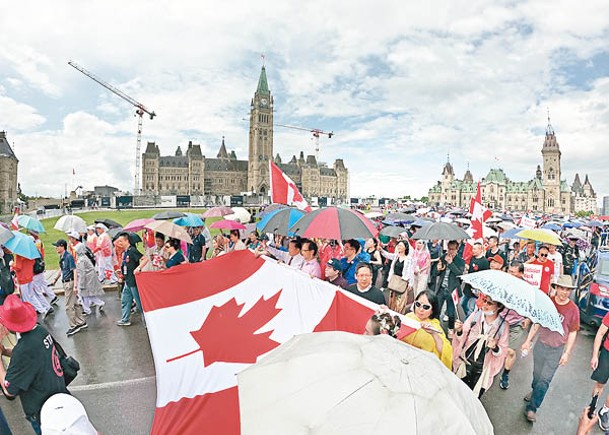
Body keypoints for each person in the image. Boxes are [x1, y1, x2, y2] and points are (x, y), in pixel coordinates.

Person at [0, 295, 69, 434]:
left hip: (42, 410)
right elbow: (32, 355)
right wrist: (6, 352)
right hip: (60, 396)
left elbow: (9, 390)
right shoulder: (39, 330)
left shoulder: (23, 350)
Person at [521, 275, 580, 423]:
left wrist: (567, 353)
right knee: (537, 375)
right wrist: (528, 341)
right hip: (541, 345)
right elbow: (537, 323)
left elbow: (573, 332)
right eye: (561, 288)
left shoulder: (573, 309)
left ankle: (532, 408)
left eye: (567, 289)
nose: (564, 292)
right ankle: (534, 390)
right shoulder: (548, 303)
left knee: (544, 380)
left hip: (556, 349)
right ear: (556, 288)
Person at [452, 294, 509, 398]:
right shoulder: (476, 316)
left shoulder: (503, 326)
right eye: (485, 301)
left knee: (472, 400)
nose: (485, 305)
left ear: (499, 307)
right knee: (456, 395)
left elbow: (502, 352)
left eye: (490, 303)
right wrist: (459, 331)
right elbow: (462, 337)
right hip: (465, 363)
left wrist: (495, 347)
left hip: (482, 371)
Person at [499, 261, 531, 390]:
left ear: (521, 273)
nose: (510, 274)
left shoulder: (527, 288)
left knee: (510, 351)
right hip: (500, 320)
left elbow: (531, 306)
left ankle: (505, 374)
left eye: (514, 272)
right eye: (509, 271)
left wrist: (528, 319)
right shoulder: (503, 283)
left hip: (516, 323)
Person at [402, 291, 452, 369]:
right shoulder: (408, 317)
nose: (420, 309)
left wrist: (434, 334)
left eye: (426, 307)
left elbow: (445, 353)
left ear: (432, 310)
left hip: (420, 366)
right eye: (418, 304)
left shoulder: (435, 327)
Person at [51, 239, 87, 336]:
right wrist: (55, 279)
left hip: (69, 283)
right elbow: (62, 269)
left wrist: (75, 285)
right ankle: (81, 321)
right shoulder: (62, 257)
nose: (56, 248)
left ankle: (73, 325)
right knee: (74, 303)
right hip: (66, 282)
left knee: (68, 306)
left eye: (57, 246)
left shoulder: (68, 257)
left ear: (62, 246)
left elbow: (74, 270)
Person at [436, 240, 465, 336]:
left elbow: (459, 274)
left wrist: (451, 263)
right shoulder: (443, 257)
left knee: (451, 313)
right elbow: (437, 273)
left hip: (452, 290)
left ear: (457, 249)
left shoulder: (460, 261)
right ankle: (435, 326)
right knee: (437, 309)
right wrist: (439, 269)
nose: (450, 251)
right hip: (441, 288)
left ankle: (450, 329)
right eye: (449, 249)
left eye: (453, 249)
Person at [586, 309, 609, 430]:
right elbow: (600, 334)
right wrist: (595, 356)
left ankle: (604, 411)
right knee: (600, 383)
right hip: (607, 352)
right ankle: (593, 406)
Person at [12, 254, 53, 318]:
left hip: (23, 279)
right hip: (30, 277)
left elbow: (18, 267)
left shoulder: (19, 255)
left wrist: (12, 264)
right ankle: (42, 310)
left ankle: (31, 314)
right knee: (32, 296)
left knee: (26, 298)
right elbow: (33, 262)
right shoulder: (30, 253)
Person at [116, 233, 143, 327]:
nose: (119, 243)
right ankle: (125, 319)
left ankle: (147, 322)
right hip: (128, 281)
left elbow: (144, 259)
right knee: (125, 300)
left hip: (133, 282)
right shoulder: (126, 252)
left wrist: (138, 268)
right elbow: (127, 265)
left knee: (139, 305)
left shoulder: (132, 251)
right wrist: (121, 271)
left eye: (121, 241)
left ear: (126, 241)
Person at [380, 240, 414, 314]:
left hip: (403, 281)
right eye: (398, 245)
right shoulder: (396, 256)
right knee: (392, 299)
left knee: (400, 301)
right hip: (395, 280)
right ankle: (391, 312)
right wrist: (381, 250)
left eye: (401, 246)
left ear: (405, 248)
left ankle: (398, 314)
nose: (399, 247)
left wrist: (411, 283)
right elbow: (387, 255)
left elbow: (411, 272)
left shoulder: (409, 259)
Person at [73, 243, 105, 316]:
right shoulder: (84, 257)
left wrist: (81, 284)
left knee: (84, 295)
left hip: (87, 279)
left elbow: (82, 273)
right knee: (87, 295)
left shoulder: (81, 260)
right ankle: (98, 304)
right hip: (90, 278)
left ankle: (87, 310)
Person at [462, 242, 489, 317]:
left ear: (480, 250)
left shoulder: (485, 262)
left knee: (471, 309)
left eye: (474, 249)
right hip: (468, 287)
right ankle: (470, 318)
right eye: (472, 249)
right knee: (462, 304)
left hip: (476, 290)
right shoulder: (472, 258)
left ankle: (467, 323)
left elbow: (485, 276)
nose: (473, 250)